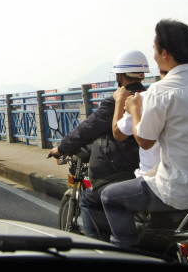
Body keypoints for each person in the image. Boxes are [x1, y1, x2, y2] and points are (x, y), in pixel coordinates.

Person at [100, 19, 188, 248]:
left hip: (180, 191)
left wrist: (135, 111)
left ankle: (126, 255)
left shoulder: (161, 90)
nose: (154, 53)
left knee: (110, 197)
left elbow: (145, 141)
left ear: (165, 53)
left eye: (155, 48)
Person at [47, 49, 150, 240]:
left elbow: (89, 128)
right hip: (147, 167)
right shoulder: (150, 96)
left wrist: (62, 147)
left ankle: (96, 248)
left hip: (121, 169)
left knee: (87, 199)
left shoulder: (116, 101)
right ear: (142, 74)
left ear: (119, 76)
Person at [112, 70, 168, 178]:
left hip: (152, 176)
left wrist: (121, 101)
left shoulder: (141, 98)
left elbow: (118, 133)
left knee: (107, 195)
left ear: (119, 76)